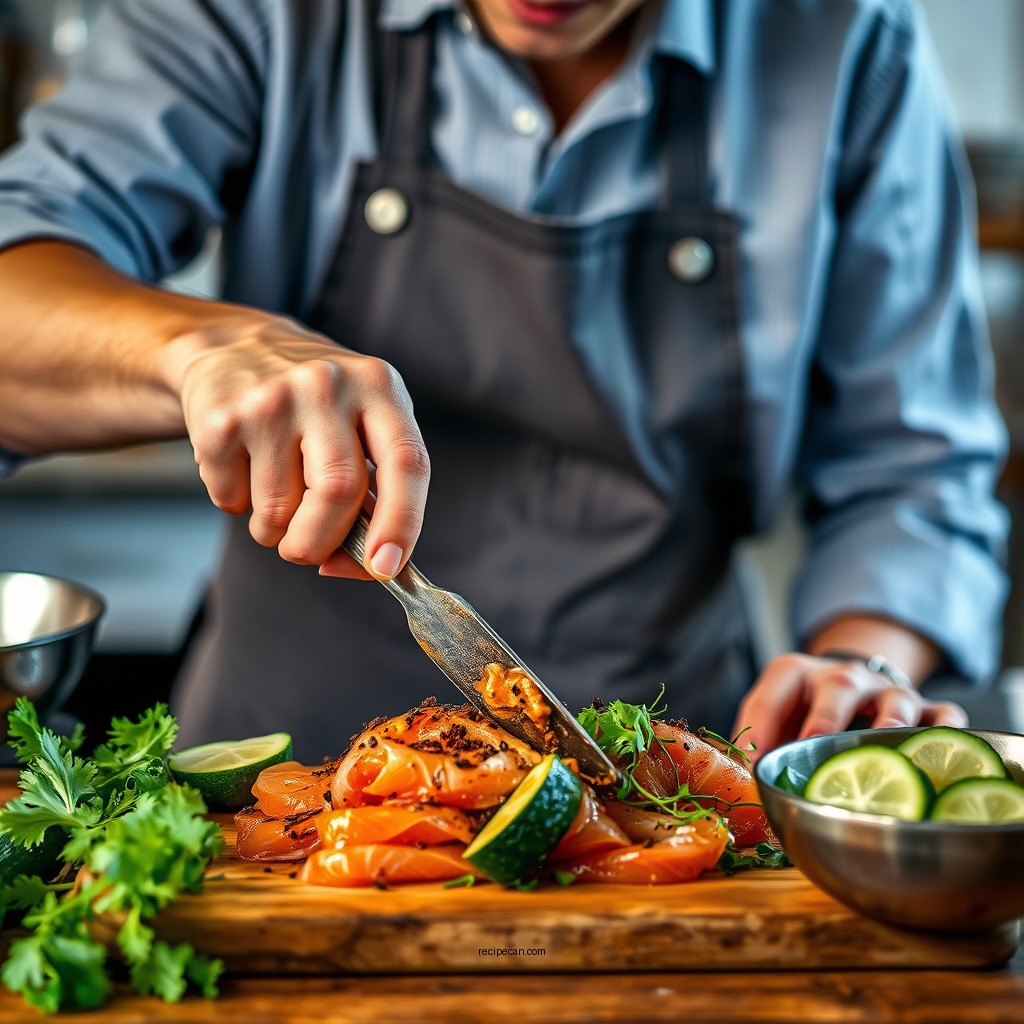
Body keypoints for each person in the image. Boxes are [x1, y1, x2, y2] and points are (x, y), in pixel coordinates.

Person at [0, 0, 1008, 763]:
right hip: (281, 771)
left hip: (665, 778)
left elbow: (914, 472)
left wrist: (860, 666)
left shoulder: (844, 41)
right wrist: (196, 344)